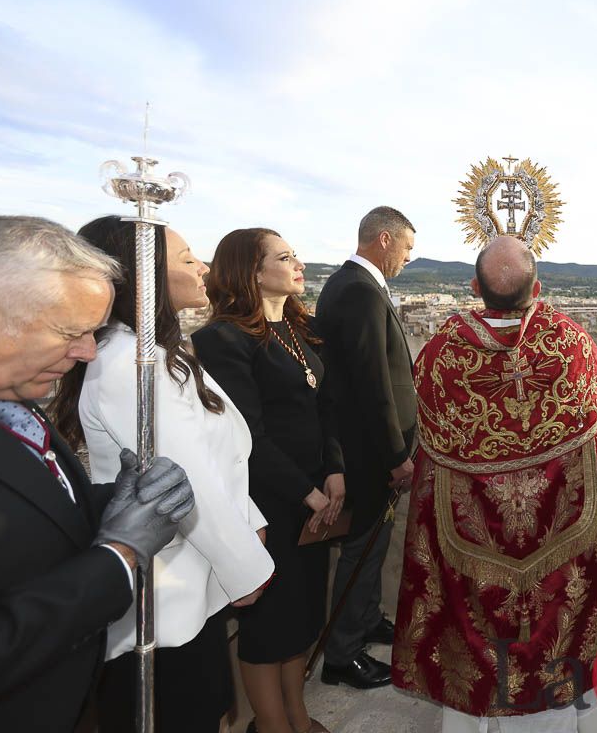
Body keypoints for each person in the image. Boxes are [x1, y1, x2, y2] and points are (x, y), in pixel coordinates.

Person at [390, 235, 597, 733]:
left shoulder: (443, 353)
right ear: (539, 286)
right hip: (564, 542)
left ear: (474, 287)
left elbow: (425, 449)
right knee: (565, 635)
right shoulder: (573, 345)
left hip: (472, 545)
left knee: (475, 634)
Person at [50, 217, 275, 732]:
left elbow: (217, 453)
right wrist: (247, 566)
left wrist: (249, 517)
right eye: (187, 257)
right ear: (143, 276)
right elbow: (183, 473)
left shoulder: (154, 354)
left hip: (191, 586)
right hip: (162, 598)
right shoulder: (126, 364)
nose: (203, 267)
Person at [0, 215, 194, 731]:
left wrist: (113, 501)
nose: (87, 351)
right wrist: (118, 556)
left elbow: (34, 514)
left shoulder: (19, 398)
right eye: (70, 332)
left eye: (93, 332)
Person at [193, 228, 345, 733]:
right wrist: (307, 492)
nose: (299, 263)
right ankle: (272, 724)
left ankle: (296, 714)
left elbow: (326, 411)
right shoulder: (222, 339)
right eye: (284, 257)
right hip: (266, 504)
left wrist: (335, 470)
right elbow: (246, 435)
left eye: (296, 254)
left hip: (314, 496)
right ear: (251, 272)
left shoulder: (302, 330)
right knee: (268, 625)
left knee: (302, 617)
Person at [313, 206, 417, 688]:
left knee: (373, 547)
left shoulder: (352, 287)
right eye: (407, 248)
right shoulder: (359, 291)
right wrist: (397, 456)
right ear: (383, 240)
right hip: (371, 455)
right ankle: (343, 654)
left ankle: (367, 619)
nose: (408, 258)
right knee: (362, 550)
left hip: (366, 450)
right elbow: (373, 383)